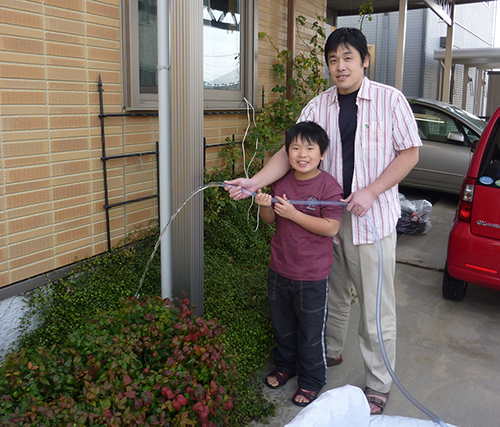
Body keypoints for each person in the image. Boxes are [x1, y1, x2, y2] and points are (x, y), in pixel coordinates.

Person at [225, 27, 421, 415]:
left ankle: (379, 383)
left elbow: (409, 153)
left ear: (365, 60)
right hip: (321, 216)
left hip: (370, 217)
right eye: (333, 60)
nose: (340, 66)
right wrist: (255, 182)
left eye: (348, 57)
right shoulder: (318, 106)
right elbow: (289, 152)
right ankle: (329, 352)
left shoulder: (390, 100)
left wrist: (371, 191)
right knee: (332, 292)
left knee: (374, 305)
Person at [254, 121, 343, 407]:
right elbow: (271, 222)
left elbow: (330, 227)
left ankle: (311, 380)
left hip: (311, 275)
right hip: (279, 268)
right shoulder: (282, 182)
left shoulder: (329, 186)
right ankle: (285, 366)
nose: (301, 154)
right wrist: (265, 206)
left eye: (309, 148)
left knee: (310, 331)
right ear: (287, 153)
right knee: (283, 325)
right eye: (295, 148)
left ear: (323, 154)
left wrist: (293, 214)